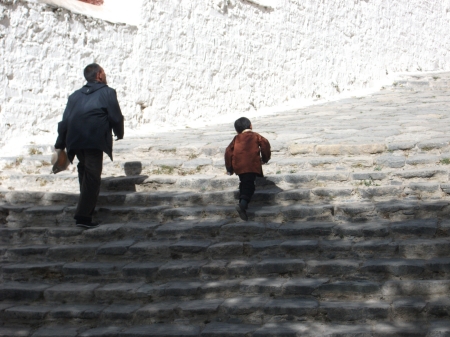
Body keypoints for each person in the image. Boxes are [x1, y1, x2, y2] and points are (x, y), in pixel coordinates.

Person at [55, 63, 124, 228]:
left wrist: (60, 143)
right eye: (104, 72)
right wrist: (119, 132)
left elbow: (65, 122)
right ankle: (83, 217)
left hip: (75, 140)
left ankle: (85, 208)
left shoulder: (74, 96)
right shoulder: (107, 92)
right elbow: (115, 116)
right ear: (99, 74)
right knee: (92, 177)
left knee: (84, 171)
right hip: (93, 139)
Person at [225, 117, 271, 221]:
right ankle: (242, 204)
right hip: (251, 164)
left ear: (237, 130)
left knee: (244, 183)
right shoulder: (256, 136)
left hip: (239, 166)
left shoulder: (236, 139)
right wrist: (265, 158)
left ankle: (243, 206)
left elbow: (228, 152)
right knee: (249, 185)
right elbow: (265, 145)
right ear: (250, 126)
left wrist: (229, 168)